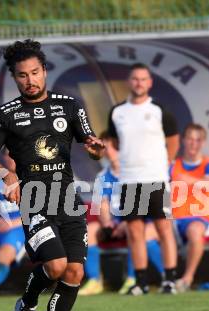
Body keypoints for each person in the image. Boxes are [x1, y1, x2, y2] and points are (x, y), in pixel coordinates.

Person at [0, 39, 105, 311]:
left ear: (44, 71)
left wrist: (96, 149)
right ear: (14, 77)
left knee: (74, 272)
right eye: (23, 75)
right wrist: (7, 176)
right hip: (34, 201)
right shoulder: (6, 114)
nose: (30, 80)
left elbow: (93, 147)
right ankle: (26, 304)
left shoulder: (70, 106)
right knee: (57, 265)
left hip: (69, 200)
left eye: (35, 72)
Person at [108, 62, 180, 295]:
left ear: (150, 82)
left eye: (143, 79)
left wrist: (164, 164)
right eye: (135, 79)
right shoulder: (117, 112)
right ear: (129, 82)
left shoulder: (160, 109)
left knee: (163, 228)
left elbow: (173, 141)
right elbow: (116, 143)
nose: (139, 83)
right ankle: (141, 282)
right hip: (129, 180)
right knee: (135, 231)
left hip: (156, 178)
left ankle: (169, 280)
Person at [79, 136, 164, 296]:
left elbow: (144, 206)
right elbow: (102, 204)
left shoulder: (135, 174)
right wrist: (107, 224)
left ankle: (136, 279)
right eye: (106, 147)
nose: (109, 152)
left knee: (137, 231)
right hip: (115, 223)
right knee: (89, 231)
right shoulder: (102, 175)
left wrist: (126, 223)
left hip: (138, 220)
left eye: (113, 147)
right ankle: (94, 281)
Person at [171, 123, 209, 292]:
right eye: (190, 139)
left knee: (195, 231)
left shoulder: (207, 164)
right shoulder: (172, 165)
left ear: (203, 143)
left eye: (198, 140)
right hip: (172, 220)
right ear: (183, 140)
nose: (194, 144)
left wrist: (191, 180)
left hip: (198, 218)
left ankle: (187, 278)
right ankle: (167, 280)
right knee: (145, 232)